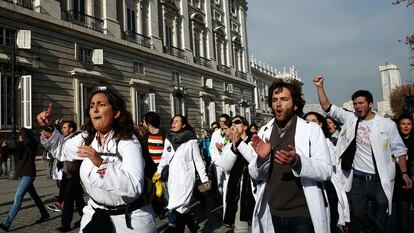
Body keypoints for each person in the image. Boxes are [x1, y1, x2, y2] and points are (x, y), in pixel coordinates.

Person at [37, 89, 156, 233]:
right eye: (92, 105)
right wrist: (47, 128)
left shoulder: (128, 140)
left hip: (130, 221)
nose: (95, 109)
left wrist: (101, 163)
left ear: (116, 113)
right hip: (95, 214)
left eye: (101, 105)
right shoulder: (88, 137)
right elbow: (62, 150)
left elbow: (134, 186)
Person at [313, 74, 413, 233]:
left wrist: (405, 172)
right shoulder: (350, 119)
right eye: (355, 104)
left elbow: (400, 150)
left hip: (380, 180)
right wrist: (320, 87)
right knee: (358, 215)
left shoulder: (386, 125)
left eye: (361, 103)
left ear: (370, 104)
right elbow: (328, 107)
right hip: (358, 181)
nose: (357, 106)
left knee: (381, 216)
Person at [247, 79, 332, 233]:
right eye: (274, 100)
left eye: (284, 99)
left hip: (302, 213)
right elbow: (254, 174)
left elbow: (326, 170)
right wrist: (261, 159)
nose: (278, 104)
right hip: (272, 211)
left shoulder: (311, 130)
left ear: (295, 104)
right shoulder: (264, 132)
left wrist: (298, 162)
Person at [155, 115, 210, 233]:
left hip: (186, 179)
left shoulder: (191, 140)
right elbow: (165, 157)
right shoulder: (168, 138)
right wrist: (158, 172)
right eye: (173, 121)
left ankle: (178, 230)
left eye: (177, 121)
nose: (173, 123)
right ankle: (193, 227)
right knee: (181, 209)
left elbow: (198, 160)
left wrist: (204, 178)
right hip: (173, 179)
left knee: (178, 208)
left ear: (183, 125)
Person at [304, 112, 350, 232]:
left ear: (320, 125)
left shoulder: (327, 143)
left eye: (314, 121)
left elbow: (327, 168)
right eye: (307, 121)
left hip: (327, 188)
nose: (310, 124)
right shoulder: (301, 144)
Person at [0, 128, 50, 232]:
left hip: (28, 174)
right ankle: (44, 214)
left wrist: (29, 134)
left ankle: (7, 223)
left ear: (26, 136)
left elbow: (32, 142)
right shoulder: (19, 146)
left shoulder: (31, 145)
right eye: (19, 136)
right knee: (35, 196)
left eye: (22, 135)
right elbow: (10, 152)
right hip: (22, 175)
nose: (20, 137)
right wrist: (4, 148)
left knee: (18, 198)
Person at [220, 116, 255, 232]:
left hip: (253, 189)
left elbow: (254, 161)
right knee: (240, 228)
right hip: (237, 190)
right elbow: (225, 166)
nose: (233, 125)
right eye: (231, 124)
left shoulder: (254, 141)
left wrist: (240, 143)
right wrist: (234, 150)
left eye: (237, 122)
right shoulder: (229, 145)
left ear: (245, 127)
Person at [57, 120, 86, 232]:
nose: (62, 130)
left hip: (74, 172)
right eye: (62, 127)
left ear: (71, 129)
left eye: (65, 127)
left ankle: (66, 224)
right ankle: (85, 216)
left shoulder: (76, 139)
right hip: (66, 172)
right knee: (78, 198)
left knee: (68, 197)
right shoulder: (65, 139)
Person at [388, 114, 414, 233]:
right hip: (401, 185)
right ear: (399, 126)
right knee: (403, 218)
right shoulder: (393, 141)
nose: (406, 126)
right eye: (403, 124)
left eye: (408, 124)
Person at [209, 114, 231, 196]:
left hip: (228, 162)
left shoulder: (230, 132)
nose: (221, 123)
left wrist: (223, 149)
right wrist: (215, 160)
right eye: (220, 121)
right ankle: (220, 199)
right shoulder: (216, 133)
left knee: (228, 182)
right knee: (219, 182)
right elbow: (211, 147)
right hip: (218, 163)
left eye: (223, 121)